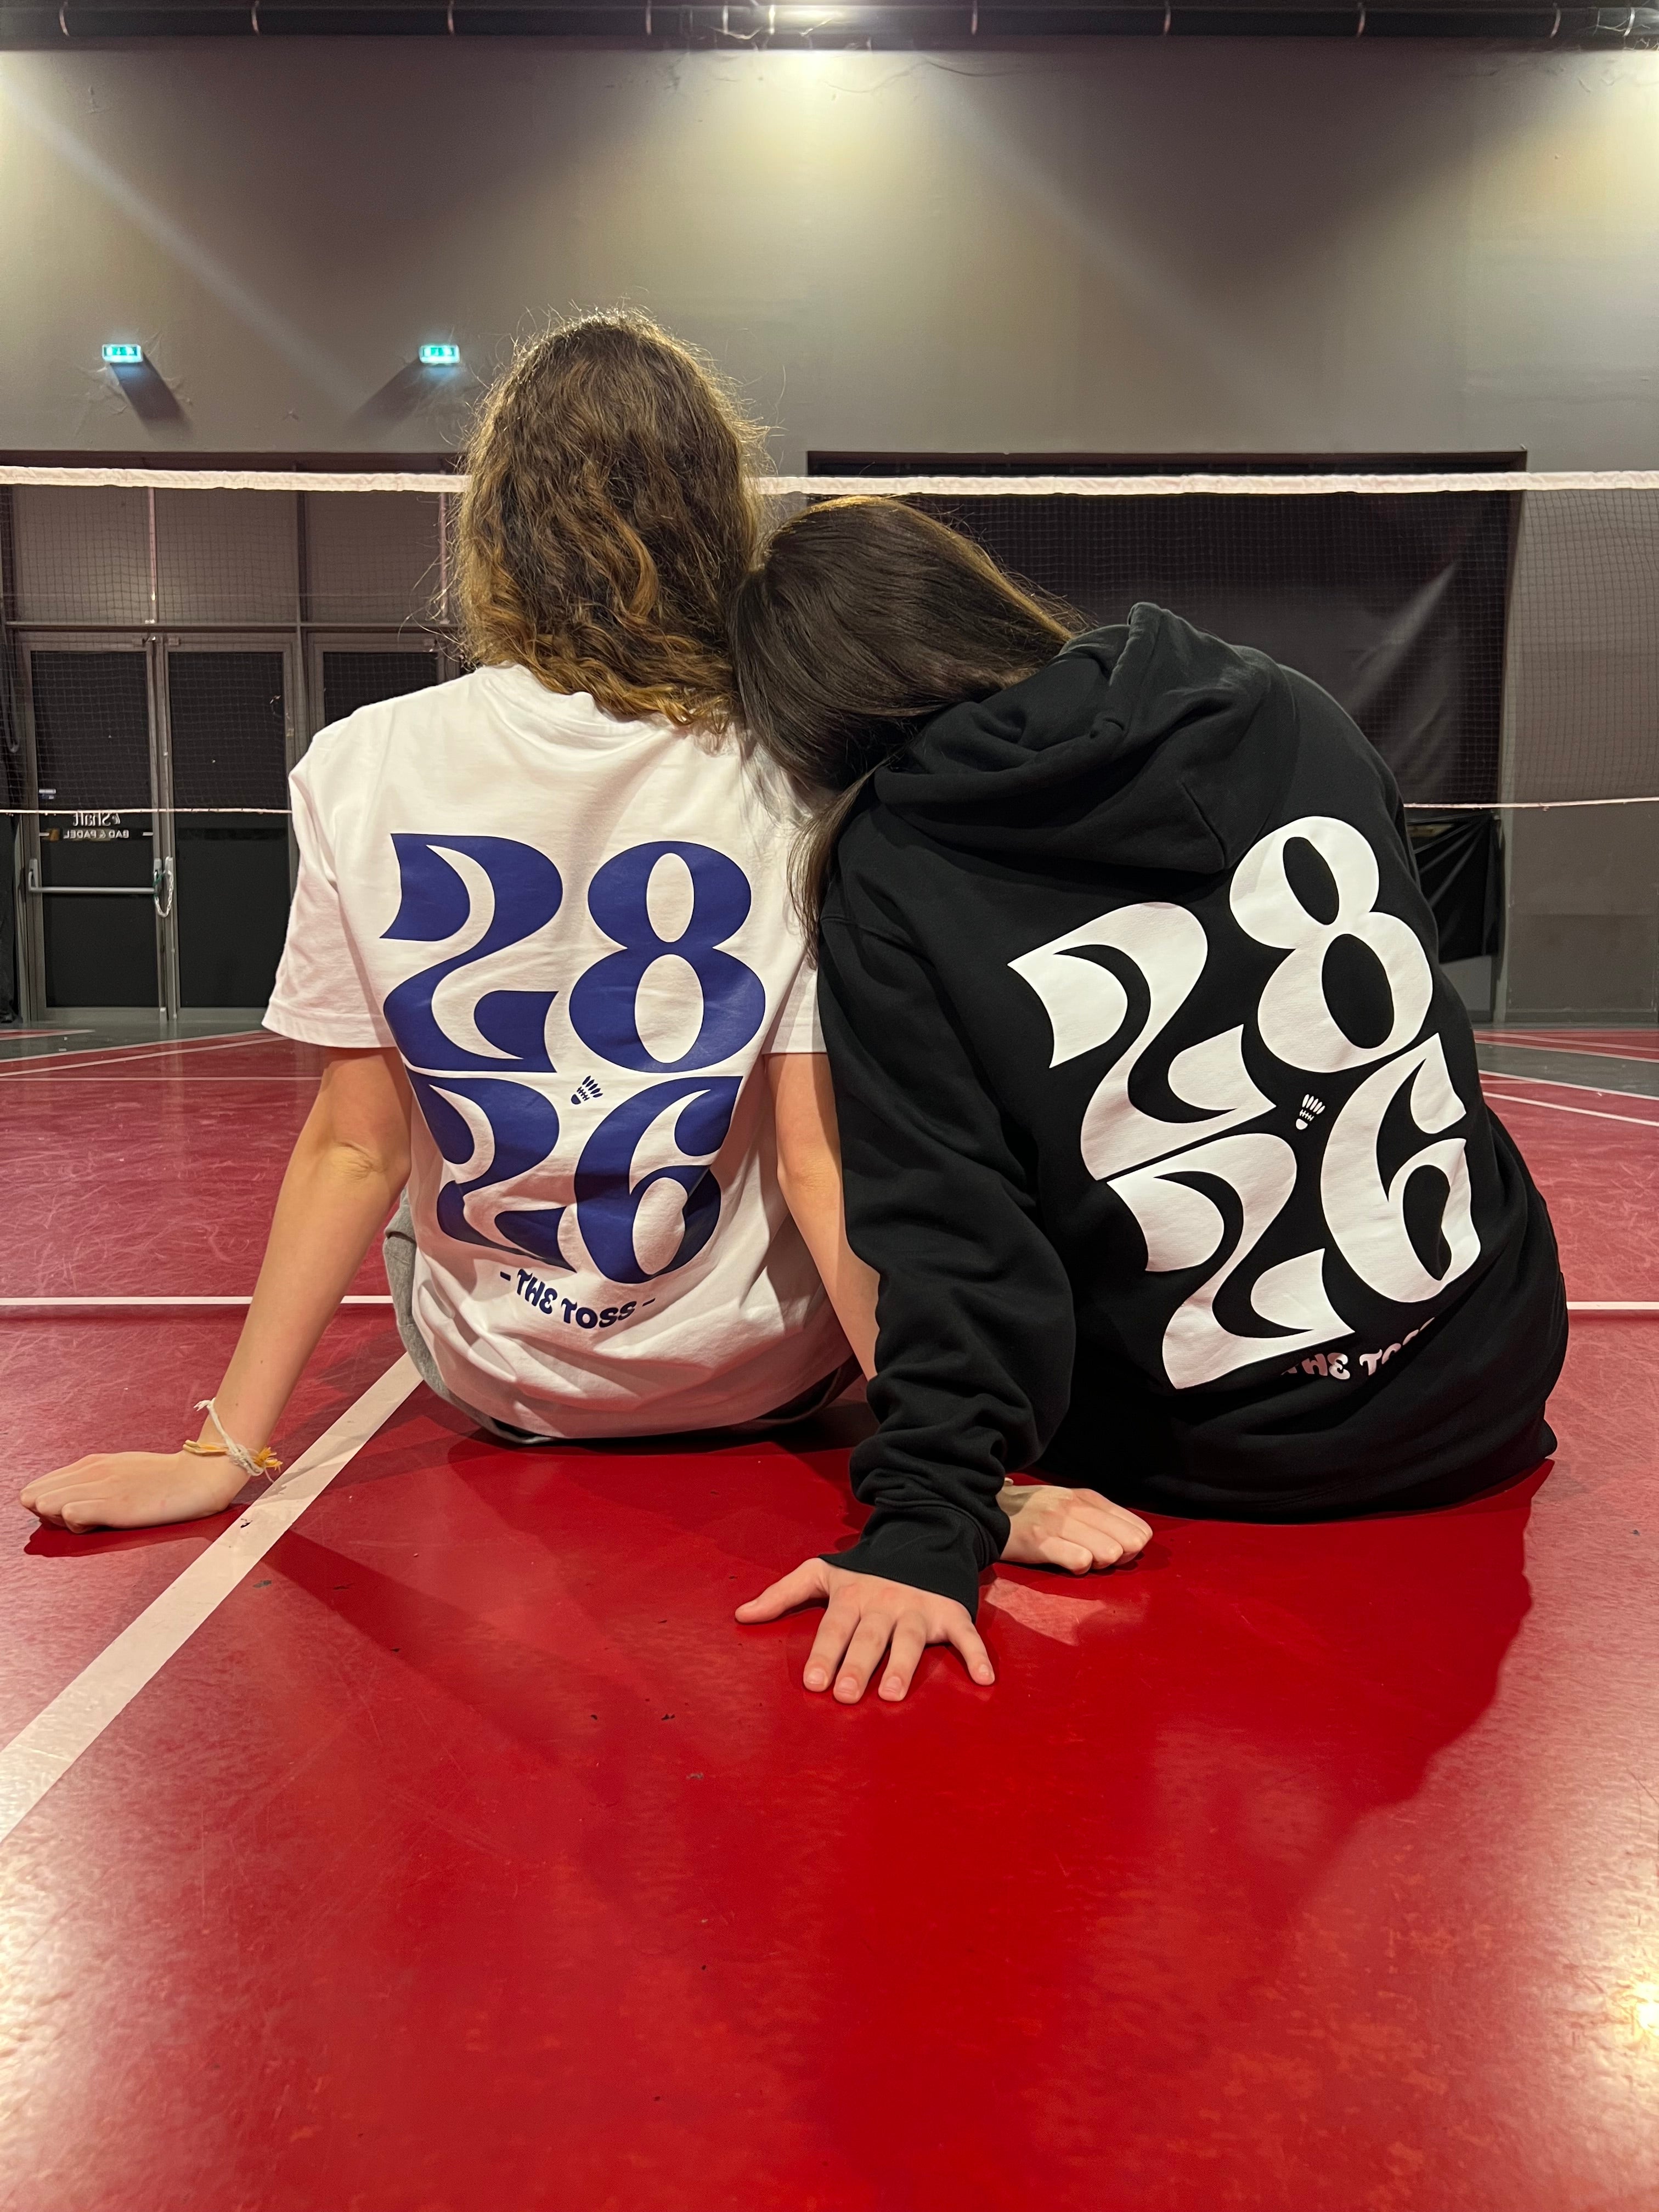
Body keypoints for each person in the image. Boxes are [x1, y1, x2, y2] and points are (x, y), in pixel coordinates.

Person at [21, 316, 879, 1537]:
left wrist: (221, 1453)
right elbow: (816, 1162)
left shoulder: (360, 764)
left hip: (502, 1388)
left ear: (498, 529)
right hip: (769, 1383)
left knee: (402, 1150)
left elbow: (352, 1149)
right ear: (716, 520)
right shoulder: (802, 766)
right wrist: (964, 1472)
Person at [729, 495, 1567, 1701]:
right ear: (975, 597)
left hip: (1234, 1463)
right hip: (1493, 1377)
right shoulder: (1288, 704)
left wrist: (930, 1519)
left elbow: (952, 1222)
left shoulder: (892, 874)